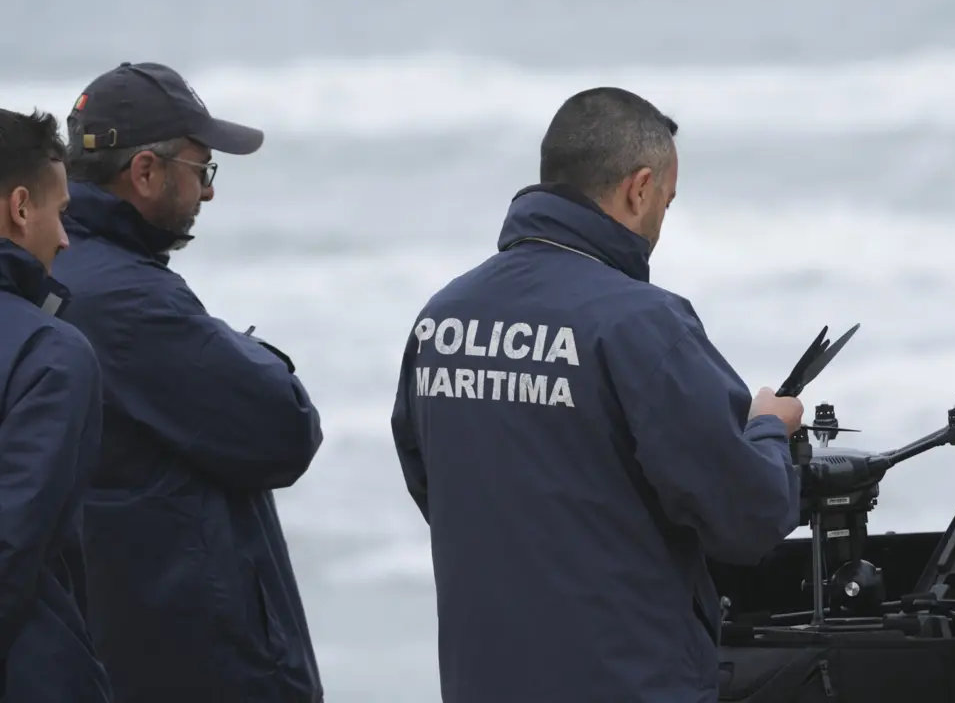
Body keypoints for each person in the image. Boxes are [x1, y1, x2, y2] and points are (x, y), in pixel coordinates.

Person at [391, 86, 806, 703]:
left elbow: (437, 484)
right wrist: (768, 428)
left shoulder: (443, 320)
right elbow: (746, 517)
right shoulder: (641, 323)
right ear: (639, 189)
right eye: (666, 201)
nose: (662, 221)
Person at [52, 62, 326, 703]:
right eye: (201, 171)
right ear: (146, 172)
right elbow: (285, 428)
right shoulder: (128, 302)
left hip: (111, 649)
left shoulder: (61, 271)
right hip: (194, 663)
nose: (207, 194)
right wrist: (252, 352)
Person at [0, 108, 112, 701]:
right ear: (21, 208)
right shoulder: (50, 353)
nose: (66, 238)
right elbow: (12, 544)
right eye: (61, 213)